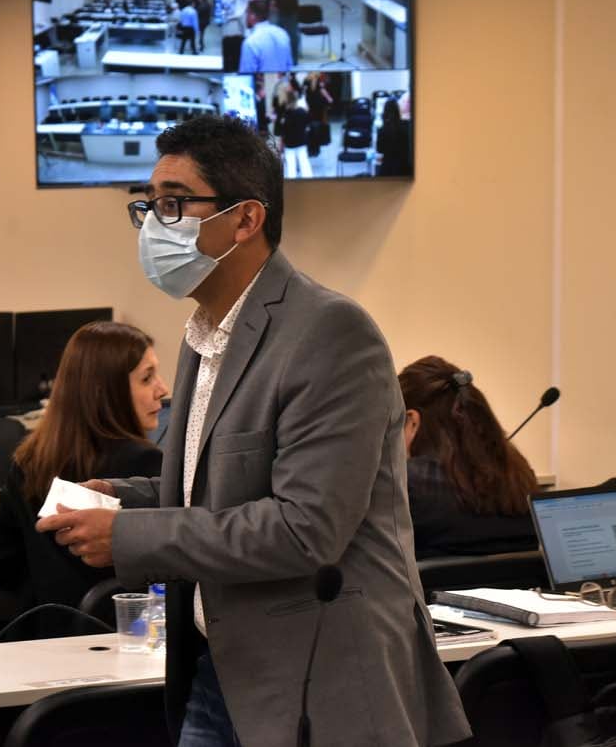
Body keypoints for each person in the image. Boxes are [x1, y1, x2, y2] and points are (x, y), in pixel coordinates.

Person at [37, 115, 469, 747]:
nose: (157, 223)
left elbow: (304, 528)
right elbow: (222, 488)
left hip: (318, 680)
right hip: (218, 668)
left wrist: (129, 534)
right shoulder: (203, 335)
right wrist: (125, 495)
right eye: (150, 205)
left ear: (246, 220)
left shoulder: (329, 332)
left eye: (176, 204)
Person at [0, 322, 166, 614]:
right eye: (147, 378)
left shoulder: (30, 462)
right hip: (125, 639)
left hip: (46, 639)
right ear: (107, 391)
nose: (162, 389)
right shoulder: (147, 466)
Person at [398, 356, 540, 558]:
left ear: (412, 421)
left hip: (436, 590)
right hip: (525, 590)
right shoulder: (520, 476)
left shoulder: (406, 484)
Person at [237, 0, 292, 74]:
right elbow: (289, 66)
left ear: (252, 16)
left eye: (246, 13)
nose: (245, 17)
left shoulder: (250, 42)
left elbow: (246, 75)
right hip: (281, 84)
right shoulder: (283, 33)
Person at [270, 0, 302, 65]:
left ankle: (281, 59)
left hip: (285, 12)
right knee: (292, 37)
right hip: (290, 12)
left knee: (283, 37)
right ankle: (293, 60)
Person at [279, 90, 313, 179]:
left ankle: (291, 187)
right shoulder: (302, 112)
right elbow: (308, 124)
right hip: (302, 141)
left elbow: (283, 132)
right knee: (304, 164)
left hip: (289, 144)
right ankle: (309, 185)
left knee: (290, 167)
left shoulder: (285, 115)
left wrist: (281, 145)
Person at [375, 96, 412, 176]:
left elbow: (379, 150)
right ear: (397, 110)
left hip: (388, 168)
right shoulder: (406, 126)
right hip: (404, 167)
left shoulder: (382, 130)